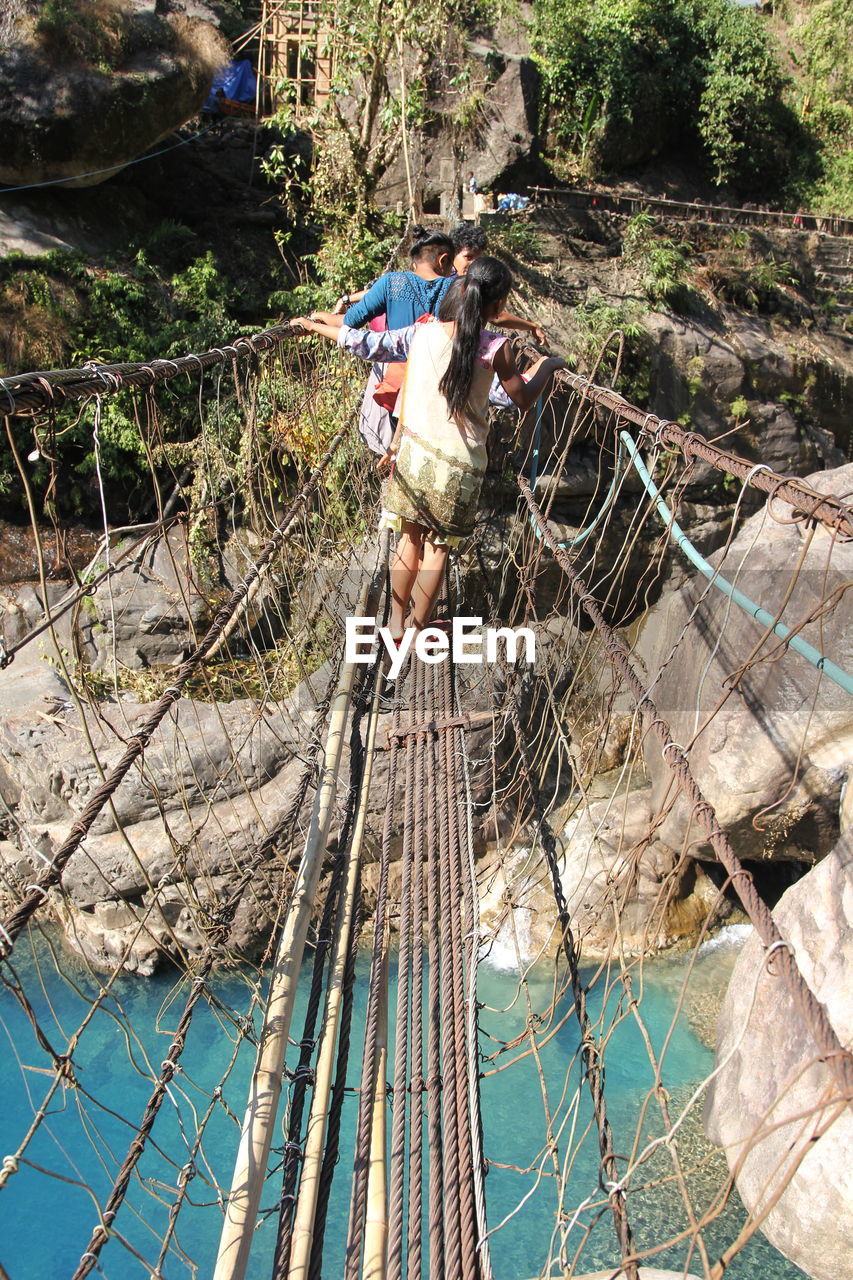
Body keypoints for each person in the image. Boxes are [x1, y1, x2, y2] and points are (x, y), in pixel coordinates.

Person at [296, 256, 565, 641]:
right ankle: (418, 628)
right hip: (460, 465)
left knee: (409, 539)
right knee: (438, 549)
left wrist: (314, 325)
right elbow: (519, 398)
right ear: (497, 306)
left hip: (413, 455)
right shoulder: (497, 348)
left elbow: (364, 342)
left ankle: (394, 622)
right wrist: (547, 366)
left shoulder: (421, 333)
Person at [450, 222, 548, 346]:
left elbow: (494, 315)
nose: (474, 264)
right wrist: (532, 326)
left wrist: (532, 326)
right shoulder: (448, 284)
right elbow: (497, 316)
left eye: (478, 259)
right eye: (468, 257)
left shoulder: (470, 284)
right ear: (452, 255)